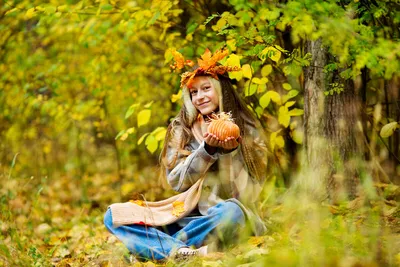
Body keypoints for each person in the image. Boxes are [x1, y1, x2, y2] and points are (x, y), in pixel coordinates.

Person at [104, 48, 268, 261]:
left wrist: (229, 153)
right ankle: (188, 252)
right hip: (187, 218)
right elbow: (176, 182)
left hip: (224, 219)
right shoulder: (182, 129)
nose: (199, 97)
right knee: (114, 215)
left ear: (221, 90)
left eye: (206, 88)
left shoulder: (248, 128)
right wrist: (206, 152)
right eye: (193, 92)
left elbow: (251, 195)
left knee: (232, 212)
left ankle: (159, 249)